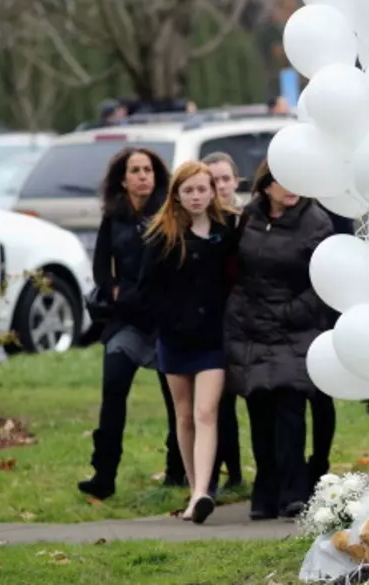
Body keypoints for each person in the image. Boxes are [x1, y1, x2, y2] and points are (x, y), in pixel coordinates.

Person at [224, 160, 336, 520]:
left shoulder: (315, 221)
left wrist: (289, 313)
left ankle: (294, 487)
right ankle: (265, 487)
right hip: (251, 326)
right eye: (283, 182)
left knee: (289, 405)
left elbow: (323, 280)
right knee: (258, 406)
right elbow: (235, 268)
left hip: (294, 325)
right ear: (266, 184)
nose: (292, 189)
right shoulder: (249, 216)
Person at [79, 147, 184, 500]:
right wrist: (112, 291)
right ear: (122, 179)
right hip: (125, 321)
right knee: (113, 391)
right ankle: (103, 475)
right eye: (135, 170)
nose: (142, 176)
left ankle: (177, 470)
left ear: (156, 177)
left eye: (148, 170)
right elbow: (100, 266)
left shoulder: (168, 213)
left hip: (162, 321)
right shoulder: (115, 215)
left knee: (174, 399)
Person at [136, 161, 238, 524]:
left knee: (206, 412)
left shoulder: (227, 229)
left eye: (202, 189)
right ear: (176, 194)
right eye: (188, 190)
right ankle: (196, 490)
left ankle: (201, 492)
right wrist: (169, 322)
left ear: (213, 191)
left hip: (213, 338)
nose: (196, 196)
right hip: (175, 339)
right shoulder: (161, 234)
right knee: (183, 415)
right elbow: (146, 291)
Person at [200, 152, 244, 492]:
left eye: (225, 179)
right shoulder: (204, 225)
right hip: (213, 321)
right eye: (212, 181)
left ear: (236, 181)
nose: (220, 186)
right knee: (219, 401)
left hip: (247, 317)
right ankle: (222, 471)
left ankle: (239, 472)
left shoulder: (248, 219)